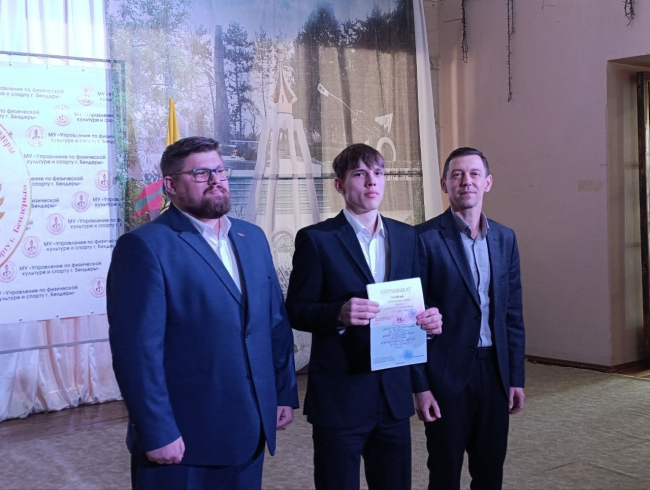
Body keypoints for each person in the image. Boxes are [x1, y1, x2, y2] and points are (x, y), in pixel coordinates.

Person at [107, 136, 298, 490]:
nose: (216, 180)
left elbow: (273, 322)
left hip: (249, 430)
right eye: (200, 174)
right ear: (170, 185)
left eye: (220, 171)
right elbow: (137, 352)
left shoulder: (252, 237)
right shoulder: (144, 247)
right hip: (184, 440)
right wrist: (156, 430)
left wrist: (282, 392)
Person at [286, 143, 443, 490]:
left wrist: (429, 324)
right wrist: (337, 314)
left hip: (393, 396)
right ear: (339, 184)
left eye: (378, 173)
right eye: (360, 174)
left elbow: (416, 306)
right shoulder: (316, 240)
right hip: (340, 395)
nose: (372, 182)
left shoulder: (406, 236)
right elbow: (296, 309)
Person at [416, 147, 526, 490]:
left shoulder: (505, 238)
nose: (467, 181)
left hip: (494, 372)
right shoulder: (422, 239)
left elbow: (512, 314)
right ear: (444, 184)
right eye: (457, 175)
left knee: (490, 472)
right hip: (445, 375)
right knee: (445, 473)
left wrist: (515, 377)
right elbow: (412, 319)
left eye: (475, 174)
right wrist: (421, 387)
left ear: (487, 182)